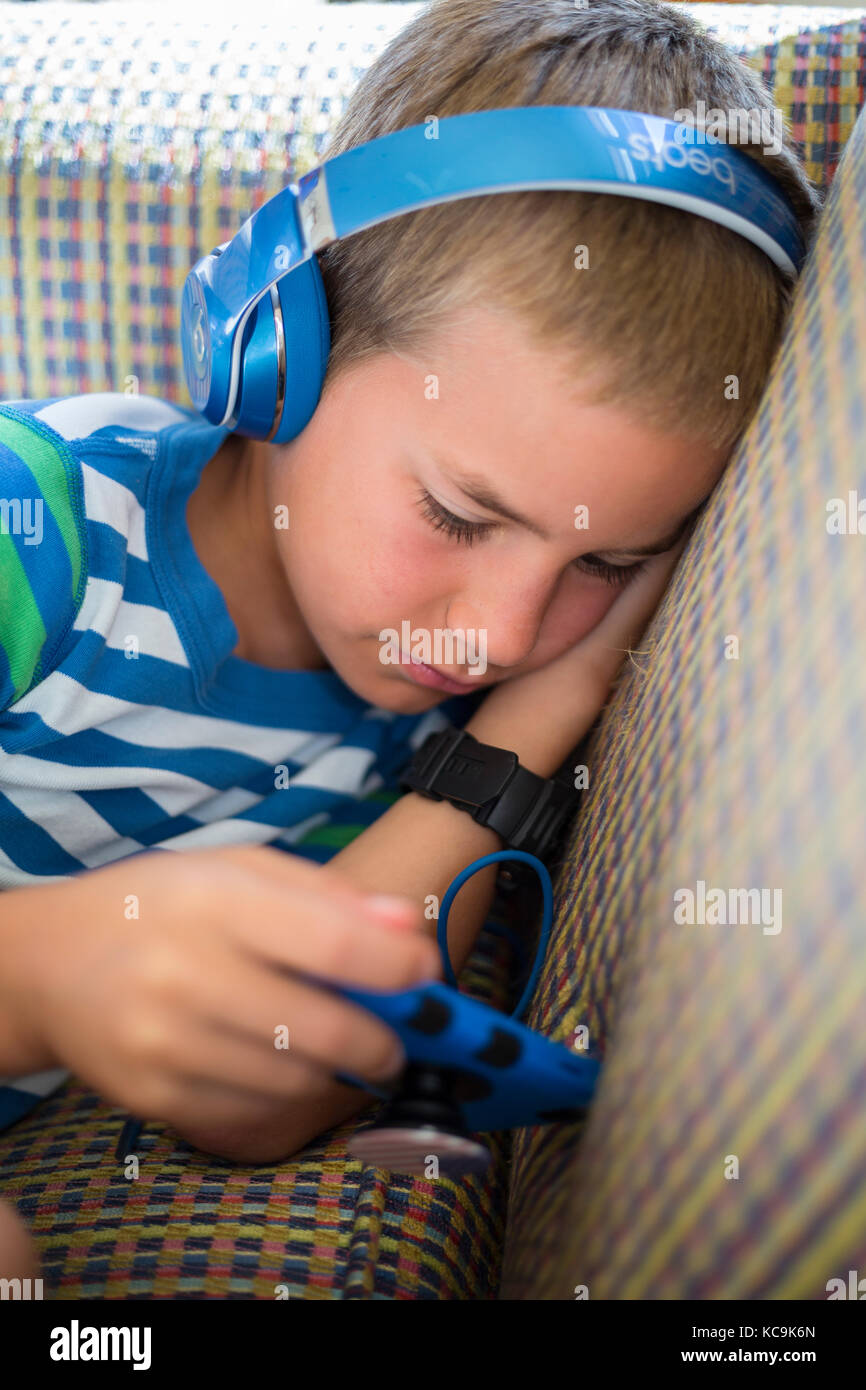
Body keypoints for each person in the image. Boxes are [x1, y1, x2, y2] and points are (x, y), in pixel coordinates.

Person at [0, 0, 821, 1282]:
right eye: (457, 512)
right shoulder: (32, 529)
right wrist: (39, 977)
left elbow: (264, 1094)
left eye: (601, 565)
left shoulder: (420, 720)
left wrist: (539, 718)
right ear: (274, 350)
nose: (500, 632)